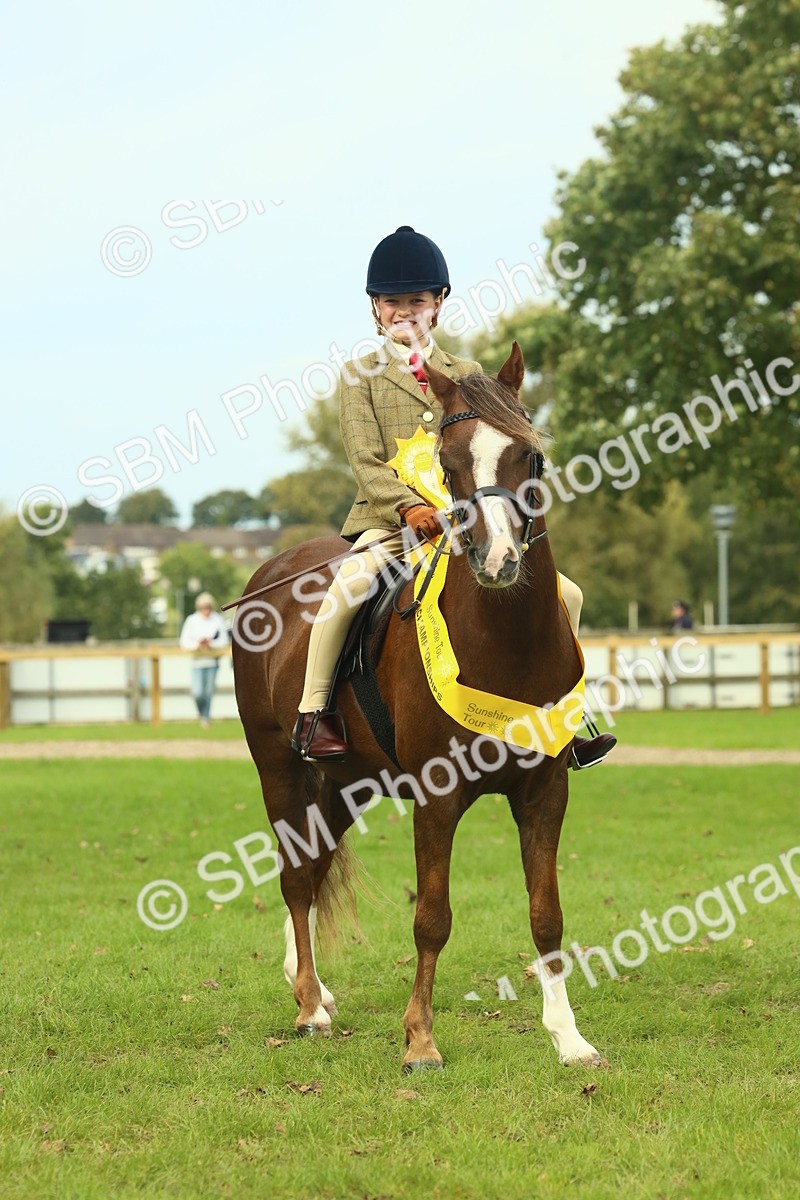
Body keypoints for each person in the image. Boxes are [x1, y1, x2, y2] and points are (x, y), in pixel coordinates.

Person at [292, 225, 615, 771]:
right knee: (345, 590)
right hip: (391, 524)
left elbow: (488, 458)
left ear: (437, 305)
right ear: (375, 310)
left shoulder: (468, 376)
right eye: (392, 303)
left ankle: (564, 716)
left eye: (415, 301)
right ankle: (313, 712)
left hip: (469, 526)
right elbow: (366, 462)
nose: (404, 312)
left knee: (572, 595)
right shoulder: (359, 378)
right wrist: (408, 507)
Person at [180, 592, 229, 728]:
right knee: (197, 692)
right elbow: (184, 642)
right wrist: (198, 644)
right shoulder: (191, 620)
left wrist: (210, 644)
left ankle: (205, 718)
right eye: (203, 607)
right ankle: (202, 714)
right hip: (197, 661)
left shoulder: (217, 619)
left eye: (207, 607)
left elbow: (224, 640)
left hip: (212, 661)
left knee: (208, 692)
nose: (205, 610)